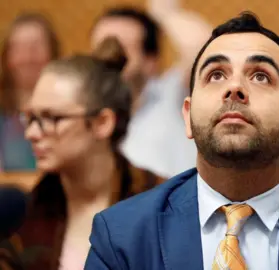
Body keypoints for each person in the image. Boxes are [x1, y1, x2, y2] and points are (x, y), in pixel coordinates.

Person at [84, 12, 279, 270]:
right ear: (188, 116)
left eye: (261, 76)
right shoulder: (122, 235)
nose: (234, 87)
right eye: (216, 75)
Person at [0, 37, 160, 270]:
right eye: (31, 118)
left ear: (102, 122)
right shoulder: (25, 218)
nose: (32, 133)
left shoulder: (162, 205)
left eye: (51, 118)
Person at [90, 0, 212, 178]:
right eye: (101, 48)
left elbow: (206, 50)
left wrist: (164, 13)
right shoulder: (84, 111)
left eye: (120, 49)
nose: (107, 57)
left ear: (150, 62)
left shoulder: (172, 96)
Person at [0, 13, 60, 171]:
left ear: (53, 52)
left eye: (35, 47)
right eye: (18, 49)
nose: (27, 58)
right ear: (6, 57)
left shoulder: (72, 114)